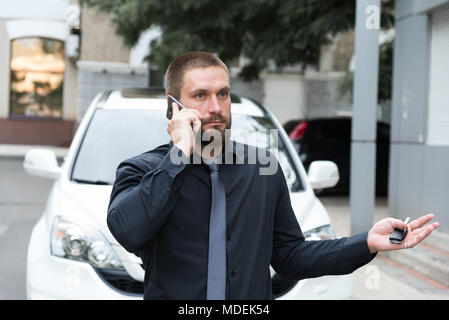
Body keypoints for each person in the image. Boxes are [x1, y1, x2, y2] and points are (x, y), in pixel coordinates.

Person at [106, 51, 439, 300]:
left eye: (222, 94)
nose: (215, 107)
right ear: (173, 107)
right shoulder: (142, 170)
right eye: (200, 96)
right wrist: (179, 153)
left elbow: (289, 256)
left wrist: (365, 242)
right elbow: (129, 231)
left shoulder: (261, 168)